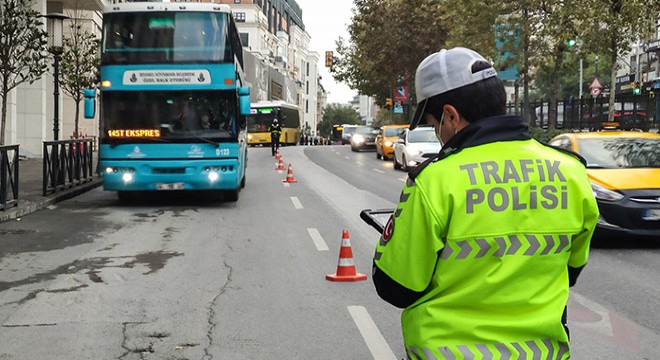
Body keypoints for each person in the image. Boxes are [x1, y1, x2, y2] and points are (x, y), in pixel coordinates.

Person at [372, 47, 599, 359]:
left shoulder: (434, 181)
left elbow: (396, 286)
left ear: (450, 115)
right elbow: (571, 270)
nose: (437, 135)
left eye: (432, 124)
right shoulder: (571, 172)